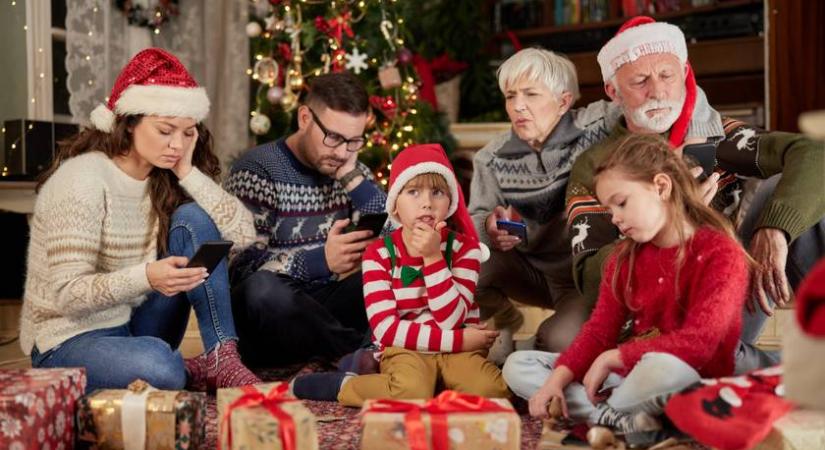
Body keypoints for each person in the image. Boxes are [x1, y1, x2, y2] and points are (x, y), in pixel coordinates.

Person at [565, 16, 825, 371]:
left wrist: (775, 229)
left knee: (784, 187)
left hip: (730, 288)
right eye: (640, 81)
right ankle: (780, 369)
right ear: (612, 90)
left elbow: (814, 153)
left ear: (685, 73)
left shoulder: (715, 139)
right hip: (661, 314)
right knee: (691, 356)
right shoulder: (595, 166)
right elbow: (591, 279)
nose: (657, 91)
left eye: (667, 76)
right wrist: (676, 220)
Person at [19, 48, 260, 392]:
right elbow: (68, 295)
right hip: (65, 339)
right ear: (129, 122)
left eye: (188, 132)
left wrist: (188, 172)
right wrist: (147, 277)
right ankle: (185, 368)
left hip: (130, 324)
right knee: (161, 369)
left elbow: (243, 234)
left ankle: (223, 358)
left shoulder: (162, 177)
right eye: (165, 130)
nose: (177, 144)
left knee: (192, 217)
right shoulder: (82, 180)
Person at [468, 47, 723, 362]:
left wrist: (695, 145)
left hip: (580, 275)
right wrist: (489, 229)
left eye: (531, 95)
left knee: (559, 340)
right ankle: (500, 327)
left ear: (563, 101)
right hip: (528, 271)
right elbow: (474, 222)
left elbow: (684, 95)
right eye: (510, 96)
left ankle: (528, 352)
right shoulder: (490, 158)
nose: (518, 106)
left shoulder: (598, 123)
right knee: (469, 262)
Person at [504, 134, 750, 433]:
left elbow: (700, 344)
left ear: (661, 186)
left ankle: (603, 415)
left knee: (660, 368)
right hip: (627, 375)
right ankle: (622, 418)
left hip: (688, 375)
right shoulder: (623, 257)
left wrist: (615, 357)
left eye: (621, 203)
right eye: (609, 211)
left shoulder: (722, 253)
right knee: (518, 365)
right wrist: (555, 382)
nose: (615, 219)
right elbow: (598, 332)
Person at [290, 144, 509, 405]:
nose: (427, 203)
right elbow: (386, 329)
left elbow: (451, 318)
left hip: (458, 348)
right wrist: (461, 340)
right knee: (411, 392)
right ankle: (345, 384)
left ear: (450, 202)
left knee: (494, 392)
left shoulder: (466, 250)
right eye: (413, 192)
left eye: (437, 192)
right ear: (394, 206)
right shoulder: (379, 254)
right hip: (410, 348)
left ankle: (436, 382)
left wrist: (433, 258)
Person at [225, 73, 386, 367]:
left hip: (323, 308)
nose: (341, 152)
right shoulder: (257, 169)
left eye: (354, 141)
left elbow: (395, 228)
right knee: (261, 289)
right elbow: (239, 268)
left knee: (390, 274)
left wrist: (351, 177)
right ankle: (360, 355)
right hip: (271, 319)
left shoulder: (349, 168)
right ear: (304, 118)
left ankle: (334, 359)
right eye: (334, 137)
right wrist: (320, 261)